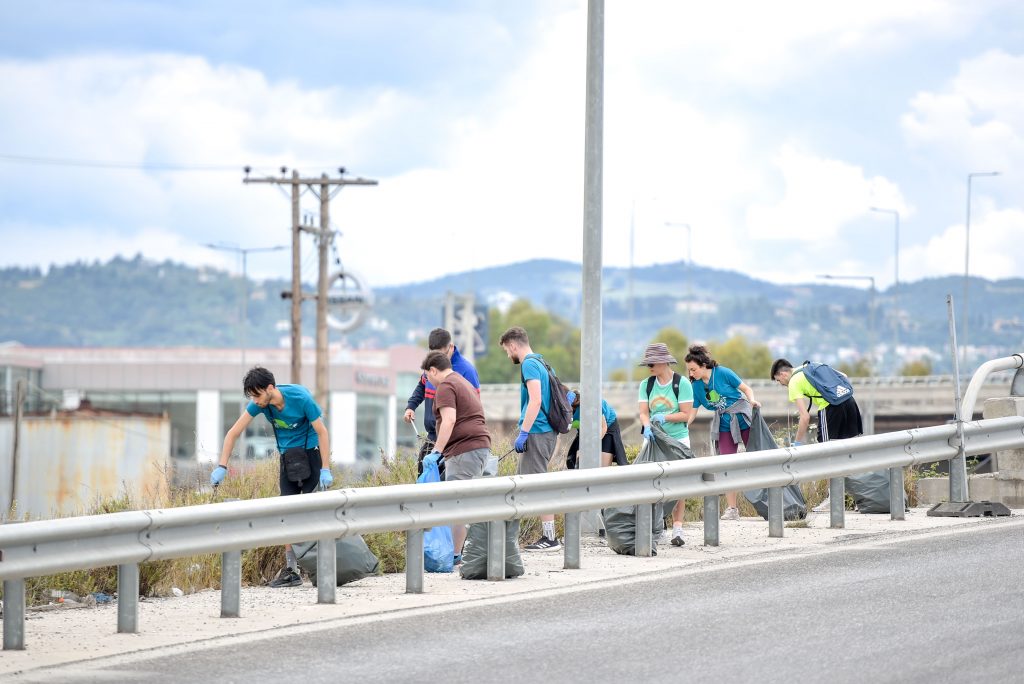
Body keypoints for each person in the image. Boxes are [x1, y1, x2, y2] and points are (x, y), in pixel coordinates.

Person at [210, 366, 332, 588]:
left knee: (314, 513)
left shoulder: (300, 397)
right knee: (285, 514)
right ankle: (291, 571)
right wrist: (222, 466)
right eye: (251, 397)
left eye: (257, 395)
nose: (255, 401)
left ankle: (323, 565)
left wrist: (326, 468)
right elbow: (233, 433)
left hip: (311, 456)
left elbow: (322, 432)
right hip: (288, 460)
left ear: (270, 388)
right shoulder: (259, 404)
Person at [420, 350, 491, 562]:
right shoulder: (461, 381)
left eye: (427, 376)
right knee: (463, 502)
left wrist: (436, 452)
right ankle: (457, 552)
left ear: (433, 370)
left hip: (464, 449)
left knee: (457, 504)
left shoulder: (446, 386)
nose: (427, 381)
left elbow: (449, 420)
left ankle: (453, 555)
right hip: (477, 446)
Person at [770, 358, 863, 512]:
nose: (781, 384)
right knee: (849, 453)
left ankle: (833, 499)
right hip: (850, 403)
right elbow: (844, 376)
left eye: (779, 381)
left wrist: (797, 443)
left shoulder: (794, 382)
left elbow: (805, 417)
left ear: (783, 374)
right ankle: (859, 499)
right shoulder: (811, 366)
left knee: (828, 454)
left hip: (830, 408)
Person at [499, 326, 561, 551]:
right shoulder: (542, 362)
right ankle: (516, 537)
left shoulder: (529, 364)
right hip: (544, 432)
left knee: (534, 485)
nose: (508, 355)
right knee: (531, 484)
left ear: (513, 345)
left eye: (507, 350)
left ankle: (549, 538)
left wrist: (524, 432)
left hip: (537, 431)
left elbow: (535, 401)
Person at [685, 344, 760, 521]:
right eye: (688, 370)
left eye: (693, 369)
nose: (691, 373)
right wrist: (683, 427)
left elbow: (746, 389)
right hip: (723, 423)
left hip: (742, 417)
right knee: (726, 464)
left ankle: (767, 499)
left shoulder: (723, 373)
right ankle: (732, 509)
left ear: (703, 365)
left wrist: (753, 401)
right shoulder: (695, 386)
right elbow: (693, 412)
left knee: (758, 457)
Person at [637, 343, 694, 546]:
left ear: (663, 362)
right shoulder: (647, 384)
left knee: (679, 484)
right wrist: (647, 425)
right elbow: (644, 412)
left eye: (652, 363)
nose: (649, 367)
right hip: (654, 440)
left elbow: (686, 415)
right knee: (652, 482)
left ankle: (678, 528)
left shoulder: (682, 383)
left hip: (677, 439)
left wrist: (665, 417)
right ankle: (657, 526)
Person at [403, 328, 481, 474]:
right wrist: (411, 406)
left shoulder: (466, 371)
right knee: (423, 478)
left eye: (442, 354)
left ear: (451, 347)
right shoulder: (432, 366)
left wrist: (440, 450)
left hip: (454, 440)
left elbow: (474, 406)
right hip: (433, 435)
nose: (438, 359)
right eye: (434, 354)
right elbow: (422, 385)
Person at [565, 389, 627, 469]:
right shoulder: (564, 409)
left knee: (602, 467)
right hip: (586, 429)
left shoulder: (592, 403)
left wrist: (593, 444)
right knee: (580, 464)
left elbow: (603, 427)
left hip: (607, 427)